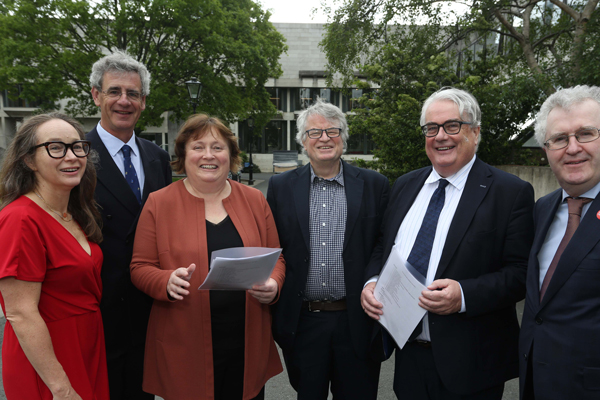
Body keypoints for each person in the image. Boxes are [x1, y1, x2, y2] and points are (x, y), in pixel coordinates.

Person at [362, 87, 535, 399]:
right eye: (431, 128)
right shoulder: (405, 185)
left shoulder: (509, 193)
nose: (441, 136)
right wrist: (372, 281)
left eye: (452, 126)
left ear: (475, 132)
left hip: (470, 364)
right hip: (409, 357)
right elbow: (382, 246)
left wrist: (465, 295)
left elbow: (521, 274)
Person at [130, 114, 285, 400]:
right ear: (183, 154)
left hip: (246, 341)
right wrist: (165, 281)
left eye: (218, 147)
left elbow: (276, 258)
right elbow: (140, 267)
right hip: (184, 342)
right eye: (198, 147)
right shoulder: (158, 203)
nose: (208, 155)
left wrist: (273, 285)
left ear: (230, 155)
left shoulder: (254, 200)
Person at [267, 100, 389, 400]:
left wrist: (374, 281)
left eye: (332, 131)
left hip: (357, 321)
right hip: (303, 322)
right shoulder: (281, 187)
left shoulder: (375, 185)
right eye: (314, 132)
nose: (324, 138)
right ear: (303, 142)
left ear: (343, 138)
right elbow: (272, 246)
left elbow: (384, 244)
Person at [0, 113, 108, 399]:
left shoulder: (73, 212)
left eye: (77, 146)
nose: (71, 156)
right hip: (49, 361)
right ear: (29, 160)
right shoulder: (21, 219)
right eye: (56, 147)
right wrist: (61, 388)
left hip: (86, 344)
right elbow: (20, 313)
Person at [87, 51, 172, 400]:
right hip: (99, 310)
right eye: (114, 91)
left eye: (133, 94)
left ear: (144, 102)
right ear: (96, 95)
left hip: (150, 310)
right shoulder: (76, 154)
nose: (124, 101)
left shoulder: (158, 157)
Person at [519, 85, 600, 400]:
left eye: (586, 133)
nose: (573, 148)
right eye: (559, 139)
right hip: (536, 382)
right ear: (546, 150)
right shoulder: (543, 208)